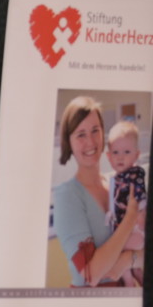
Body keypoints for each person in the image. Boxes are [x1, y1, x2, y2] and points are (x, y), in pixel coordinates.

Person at [51, 97, 144, 287]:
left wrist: (128, 260)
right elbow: (91, 275)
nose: (91, 141)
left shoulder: (118, 184)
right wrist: (130, 218)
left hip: (127, 297)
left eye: (95, 130)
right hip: (92, 302)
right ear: (69, 142)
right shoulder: (66, 196)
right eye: (81, 134)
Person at [107, 120, 146, 288]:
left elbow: (141, 199)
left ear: (136, 155)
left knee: (116, 251)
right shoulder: (116, 178)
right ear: (109, 156)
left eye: (127, 152)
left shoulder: (135, 175)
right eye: (115, 152)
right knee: (134, 267)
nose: (120, 157)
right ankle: (138, 279)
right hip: (130, 232)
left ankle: (129, 285)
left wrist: (140, 217)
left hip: (136, 231)